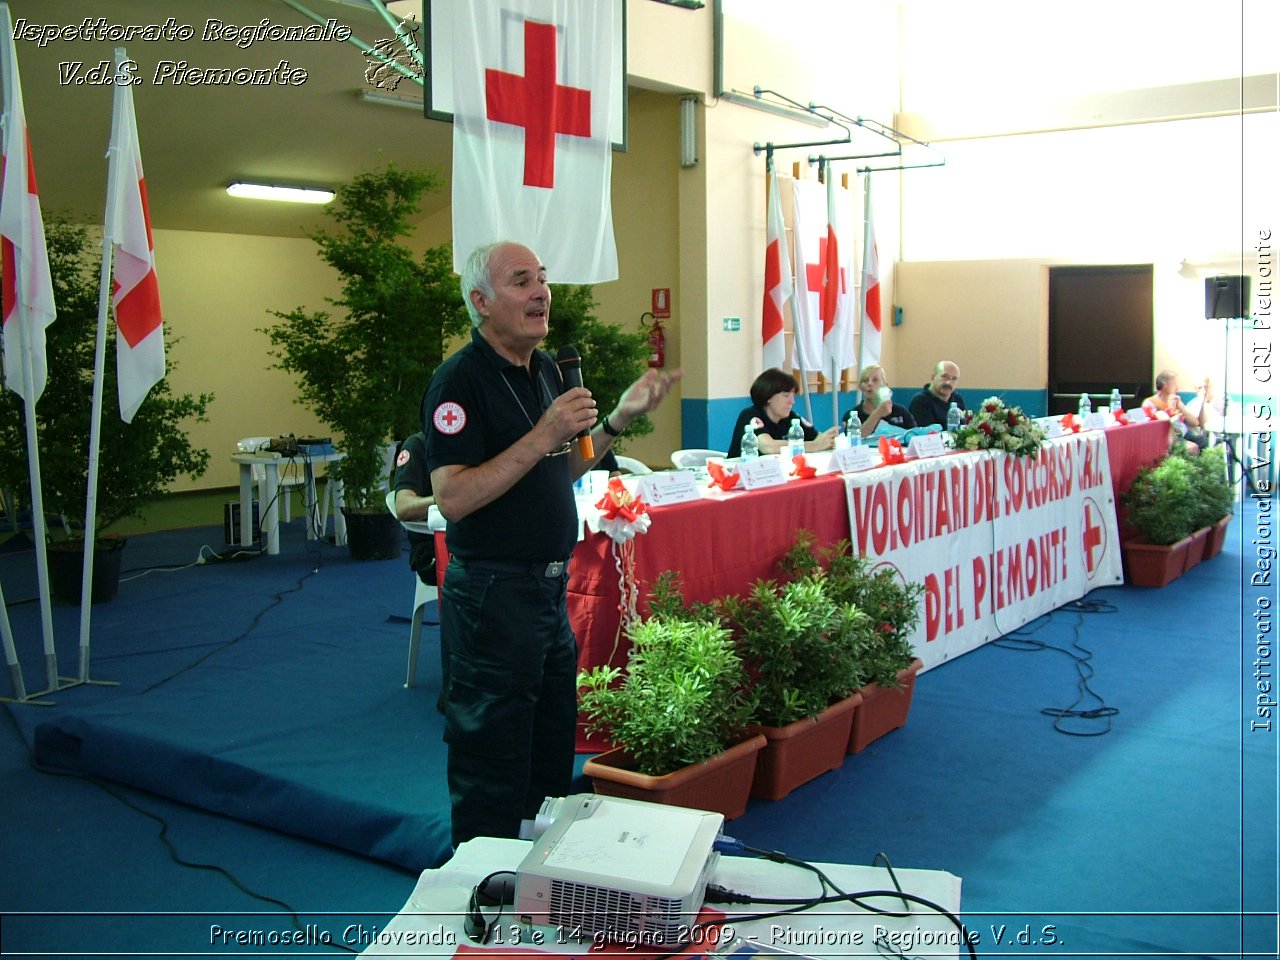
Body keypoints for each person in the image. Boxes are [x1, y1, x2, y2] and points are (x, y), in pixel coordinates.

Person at [421, 241, 680, 847]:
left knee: (548, 749)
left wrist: (613, 419)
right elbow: (453, 497)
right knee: (492, 759)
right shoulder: (459, 382)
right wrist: (544, 434)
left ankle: (539, 883)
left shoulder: (543, 372)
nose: (541, 292)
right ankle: (481, 892)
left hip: (546, 593)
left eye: (543, 278)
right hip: (492, 595)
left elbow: (559, 473)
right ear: (481, 302)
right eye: (521, 281)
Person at [725, 368, 839, 458]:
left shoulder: (791, 418)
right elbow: (768, 447)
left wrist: (829, 439)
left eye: (793, 395)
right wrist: (815, 446)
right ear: (768, 396)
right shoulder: (750, 415)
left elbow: (818, 438)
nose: (792, 401)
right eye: (786, 395)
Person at [391, 432, 436, 585]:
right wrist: (443, 500)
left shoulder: (481, 441)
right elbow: (403, 507)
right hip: (433, 546)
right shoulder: (418, 445)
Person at [842, 364, 916, 438]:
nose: (870, 384)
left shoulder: (901, 412)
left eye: (875, 380)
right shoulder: (852, 416)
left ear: (885, 385)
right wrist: (877, 414)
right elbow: (854, 441)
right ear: (860, 387)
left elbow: (915, 436)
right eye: (865, 380)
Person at [1145, 370, 1209, 453]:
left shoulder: (1176, 400)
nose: (1178, 388)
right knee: (1192, 447)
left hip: (1183, 434)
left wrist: (1181, 407)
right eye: (1175, 384)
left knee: (1206, 442)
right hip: (1168, 438)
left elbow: (1195, 423)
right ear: (1166, 386)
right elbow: (1153, 427)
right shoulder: (1150, 403)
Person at [908, 360, 966, 428]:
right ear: (933, 377)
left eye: (954, 378)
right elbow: (926, 435)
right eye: (944, 376)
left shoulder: (957, 399)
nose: (948, 382)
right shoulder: (920, 401)